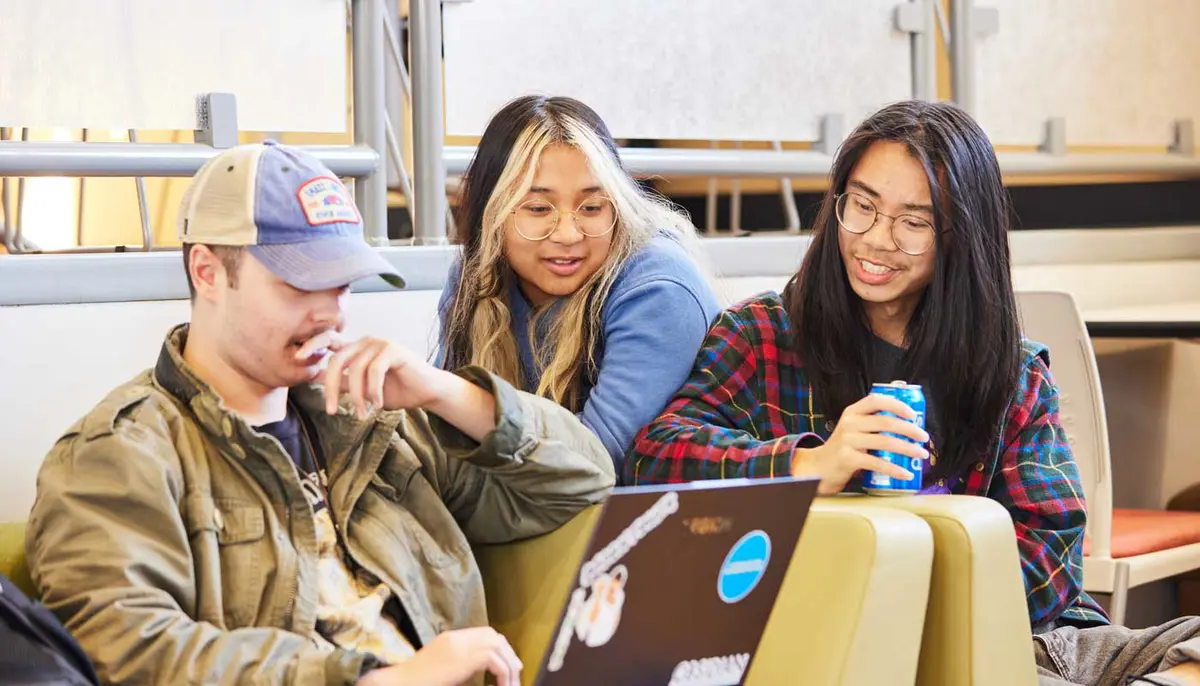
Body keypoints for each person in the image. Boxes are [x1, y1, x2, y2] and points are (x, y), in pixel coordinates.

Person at [624, 100, 1200, 685]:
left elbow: (1053, 549)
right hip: (825, 634)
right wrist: (810, 464)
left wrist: (923, 593)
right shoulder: (763, 335)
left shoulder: (1010, 370)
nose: (876, 240)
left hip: (1006, 633)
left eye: (914, 222)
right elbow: (654, 459)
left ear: (959, 236)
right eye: (862, 206)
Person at [25, 141, 615, 686]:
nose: (332, 315)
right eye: (298, 284)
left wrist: (442, 391)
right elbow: (130, 650)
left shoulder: (375, 424)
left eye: (341, 285)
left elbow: (585, 480)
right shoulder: (117, 455)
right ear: (207, 271)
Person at [436, 95, 720, 475]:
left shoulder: (658, 288)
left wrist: (439, 393)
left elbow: (595, 466)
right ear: (494, 213)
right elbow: (441, 441)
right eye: (538, 209)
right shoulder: (476, 275)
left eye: (592, 207)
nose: (569, 234)